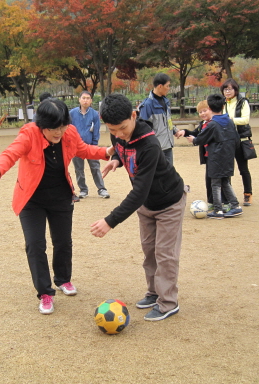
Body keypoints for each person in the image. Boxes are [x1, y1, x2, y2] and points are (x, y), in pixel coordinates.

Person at [0, 99, 114, 315]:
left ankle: (63, 279)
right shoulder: (29, 133)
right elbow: (10, 153)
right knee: (35, 245)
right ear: (42, 125)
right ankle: (45, 293)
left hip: (60, 197)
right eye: (54, 128)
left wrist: (107, 151)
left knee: (63, 242)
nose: (59, 132)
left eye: (63, 126)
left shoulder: (68, 133)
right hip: (31, 200)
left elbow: (84, 149)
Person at [91, 94, 187, 322]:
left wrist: (110, 221)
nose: (118, 135)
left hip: (168, 203)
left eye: (122, 128)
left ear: (134, 116)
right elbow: (124, 149)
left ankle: (168, 303)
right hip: (147, 206)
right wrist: (118, 160)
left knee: (165, 254)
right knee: (149, 251)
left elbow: (139, 192)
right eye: (112, 131)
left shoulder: (150, 145)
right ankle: (154, 293)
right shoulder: (118, 136)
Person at [185, 94, 242, 219]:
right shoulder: (229, 121)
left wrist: (193, 140)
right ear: (223, 106)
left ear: (209, 107)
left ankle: (218, 210)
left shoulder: (212, 124)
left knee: (215, 183)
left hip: (216, 158)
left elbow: (201, 139)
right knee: (225, 182)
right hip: (228, 156)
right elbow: (237, 140)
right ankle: (235, 206)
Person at [176, 100, 230, 212]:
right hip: (209, 157)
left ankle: (226, 202)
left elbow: (201, 138)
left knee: (222, 180)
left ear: (211, 110)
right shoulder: (203, 124)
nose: (202, 114)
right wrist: (184, 132)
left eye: (205, 110)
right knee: (209, 179)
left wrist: (194, 140)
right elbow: (195, 133)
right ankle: (212, 201)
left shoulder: (215, 124)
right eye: (200, 112)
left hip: (219, 157)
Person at [71, 91, 110, 199]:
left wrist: (94, 144)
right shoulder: (72, 113)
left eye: (88, 98)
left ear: (91, 101)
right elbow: (69, 129)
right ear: (79, 99)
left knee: (95, 167)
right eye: (83, 98)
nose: (85, 100)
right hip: (76, 147)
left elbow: (96, 130)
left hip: (91, 146)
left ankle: (101, 189)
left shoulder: (94, 114)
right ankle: (83, 189)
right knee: (79, 169)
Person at [221, 78, 253, 206]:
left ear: (235, 90)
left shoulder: (242, 102)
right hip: (226, 140)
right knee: (227, 170)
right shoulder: (222, 102)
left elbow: (245, 119)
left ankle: (248, 194)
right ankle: (229, 196)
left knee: (243, 169)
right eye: (225, 89)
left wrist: (229, 119)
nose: (227, 92)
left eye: (230, 89)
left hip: (240, 139)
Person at [138, 73, 178, 165]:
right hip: (156, 149)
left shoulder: (165, 102)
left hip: (168, 146)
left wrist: (175, 130)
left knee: (169, 176)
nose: (169, 88)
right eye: (167, 86)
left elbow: (168, 121)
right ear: (160, 86)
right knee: (158, 177)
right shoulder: (147, 105)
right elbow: (144, 129)